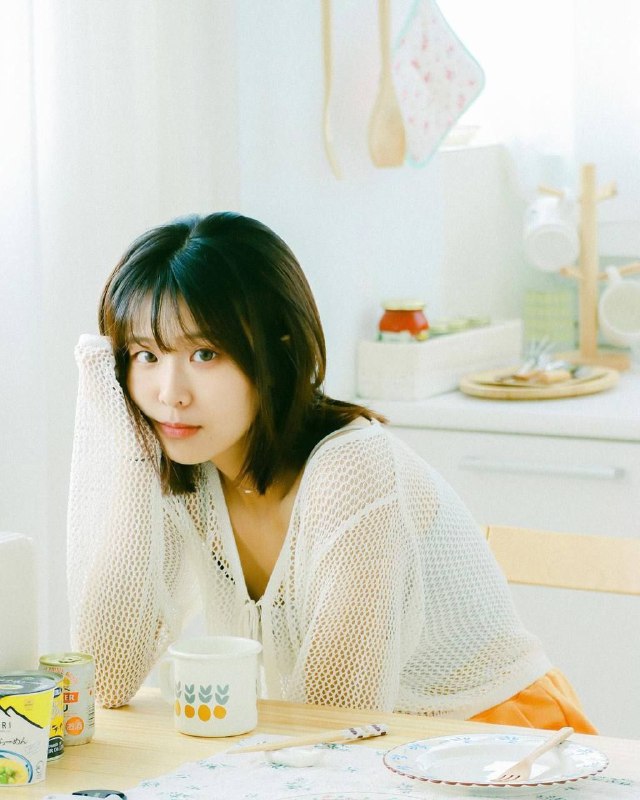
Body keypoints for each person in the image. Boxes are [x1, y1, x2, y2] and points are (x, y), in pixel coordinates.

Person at [67, 211, 595, 732]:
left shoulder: (351, 472)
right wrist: (135, 456)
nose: (169, 394)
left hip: (501, 742)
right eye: (145, 355)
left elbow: (335, 722)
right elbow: (105, 680)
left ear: (279, 352)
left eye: (205, 354)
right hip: (371, 752)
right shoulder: (192, 472)